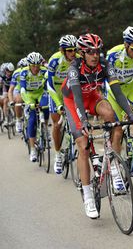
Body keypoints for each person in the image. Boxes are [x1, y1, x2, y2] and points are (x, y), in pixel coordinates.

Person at [61, 33, 133, 219]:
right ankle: (88, 195)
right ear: (82, 53)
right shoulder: (74, 69)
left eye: (97, 51)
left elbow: (117, 92)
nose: (94, 55)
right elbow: (78, 98)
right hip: (74, 102)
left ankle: (112, 165)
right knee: (84, 146)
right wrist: (84, 121)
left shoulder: (104, 65)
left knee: (113, 118)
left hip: (93, 98)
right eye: (90, 52)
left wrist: (130, 114)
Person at [47, 34, 80, 174]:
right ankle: (58, 154)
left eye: (75, 50)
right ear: (62, 50)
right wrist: (58, 104)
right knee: (57, 124)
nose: (73, 53)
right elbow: (49, 84)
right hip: (56, 91)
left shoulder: (79, 59)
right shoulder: (54, 60)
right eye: (69, 50)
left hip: (70, 89)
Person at [20, 52, 49, 162]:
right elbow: (22, 90)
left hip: (41, 93)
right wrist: (28, 102)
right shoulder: (24, 72)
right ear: (29, 65)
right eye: (33, 66)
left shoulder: (44, 71)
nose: (36, 68)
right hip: (29, 95)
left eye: (38, 65)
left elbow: (47, 87)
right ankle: (32, 149)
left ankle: (45, 128)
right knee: (31, 121)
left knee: (45, 107)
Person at [8, 57, 28, 132]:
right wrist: (11, 101)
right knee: (18, 100)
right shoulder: (16, 73)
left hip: (31, 90)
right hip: (19, 89)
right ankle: (18, 119)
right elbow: (11, 89)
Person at [1, 62, 15, 127]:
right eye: (8, 71)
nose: (9, 73)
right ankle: (6, 119)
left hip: (12, 88)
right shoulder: (2, 75)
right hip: (5, 88)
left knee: (14, 101)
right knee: (5, 101)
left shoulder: (13, 75)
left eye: (11, 71)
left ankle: (15, 116)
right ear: (5, 70)